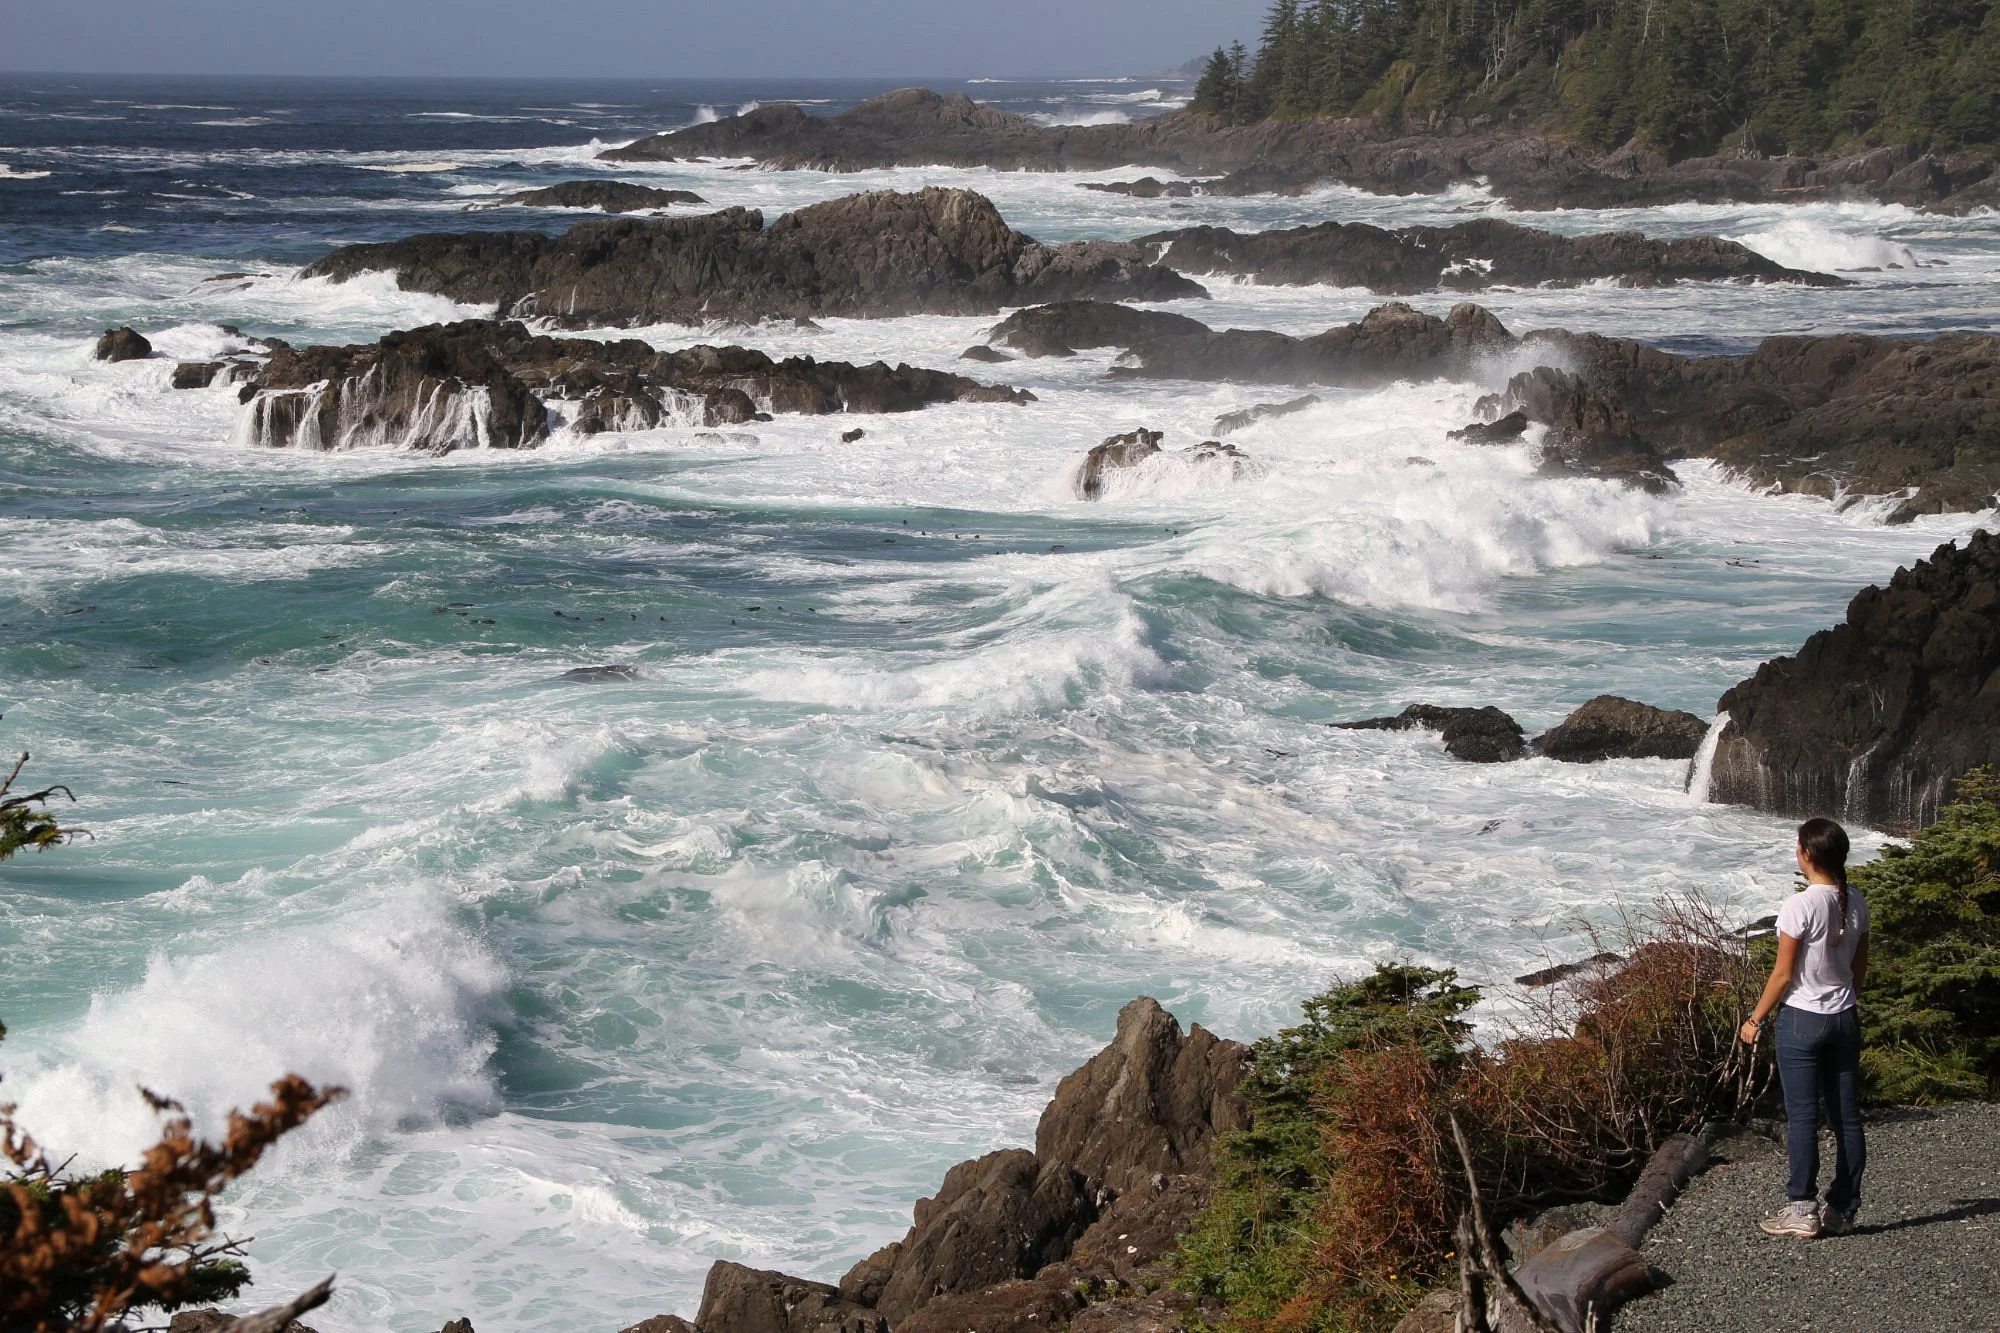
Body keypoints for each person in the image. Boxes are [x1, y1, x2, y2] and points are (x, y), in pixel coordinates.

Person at [1737, 817, 1870, 1238]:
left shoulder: (1800, 905)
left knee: (1802, 1118)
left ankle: (1801, 1209)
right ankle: (1843, 1210)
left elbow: (1782, 975)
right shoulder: (1856, 900)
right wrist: (1847, 1001)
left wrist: (1754, 1019)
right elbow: (1858, 967)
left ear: (1807, 855)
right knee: (1847, 1119)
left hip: (1803, 1020)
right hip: (1844, 1017)